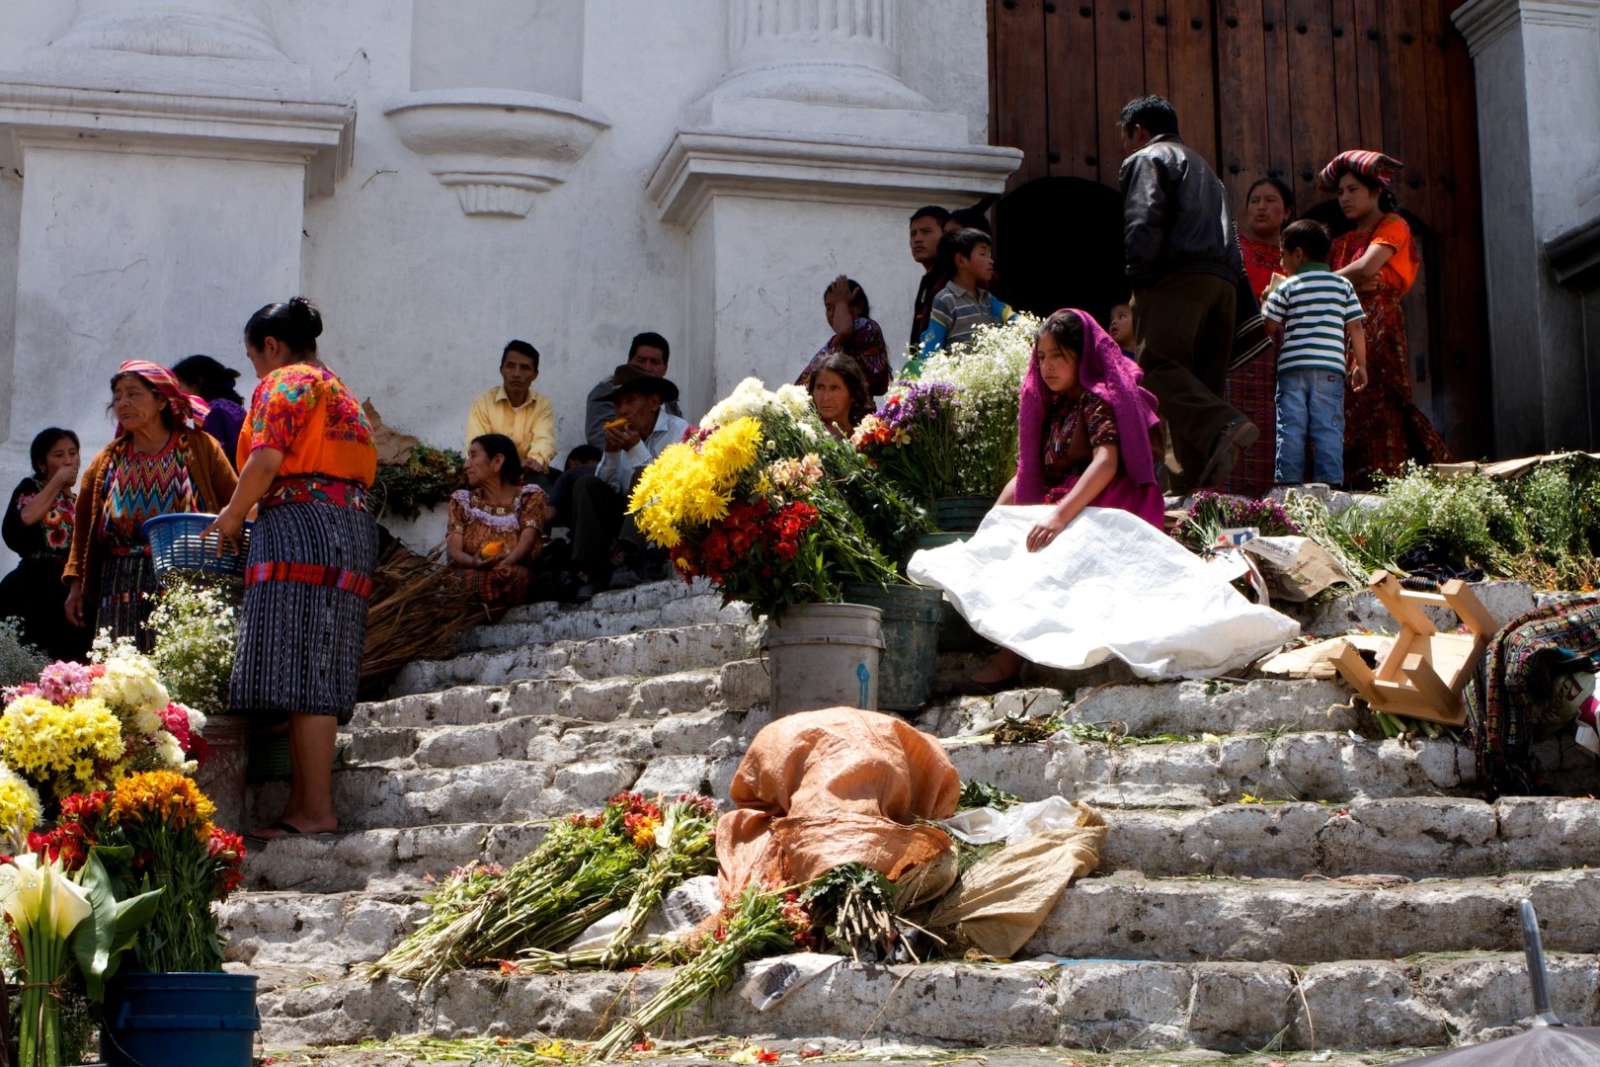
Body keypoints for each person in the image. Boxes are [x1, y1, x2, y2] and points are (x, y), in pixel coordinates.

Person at [206, 297, 377, 838]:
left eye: (254, 356)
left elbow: (266, 458)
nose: (255, 368)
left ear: (271, 347)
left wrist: (232, 516)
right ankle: (310, 805)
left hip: (301, 527)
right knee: (321, 665)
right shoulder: (337, 389)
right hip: (346, 526)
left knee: (304, 666)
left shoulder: (284, 382)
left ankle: (313, 808)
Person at [972, 309, 1165, 686]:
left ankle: (1011, 658)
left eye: (1059, 355)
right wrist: (995, 517)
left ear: (1083, 356)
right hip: (1070, 501)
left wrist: (1059, 516)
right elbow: (1030, 472)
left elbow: (1106, 462)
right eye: (1042, 357)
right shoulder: (1057, 407)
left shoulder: (1097, 401)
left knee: (1041, 553)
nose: (1047, 366)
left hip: (1105, 503)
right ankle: (1014, 651)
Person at [1118, 95, 1255, 490]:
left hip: (1176, 280)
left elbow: (1143, 218)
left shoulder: (1148, 158)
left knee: (1155, 369)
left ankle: (1224, 422)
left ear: (1139, 131)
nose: (1124, 147)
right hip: (1223, 285)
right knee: (1198, 384)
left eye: (1125, 137)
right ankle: (1191, 490)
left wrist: (1139, 278)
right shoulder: (1207, 171)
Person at [63, 362, 237, 650]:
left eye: (133, 393)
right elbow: (83, 527)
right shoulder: (108, 459)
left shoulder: (199, 447)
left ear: (161, 400)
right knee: (123, 676)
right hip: (119, 585)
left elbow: (234, 501)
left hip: (187, 581)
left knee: (178, 667)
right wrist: (76, 585)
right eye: (117, 396)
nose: (123, 403)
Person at [1323, 150, 1451, 486]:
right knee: (1345, 404)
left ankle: (1388, 485)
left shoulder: (1393, 225)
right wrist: (1350, 279)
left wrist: (1327, 282)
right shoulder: (1339, 243)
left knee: (1380, 401)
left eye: (1353, 189)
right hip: (1342, 331)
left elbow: (1366, 268)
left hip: (1380, 326)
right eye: (1340, 192)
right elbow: (1358, 275)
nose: (1344, 198)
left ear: (1376, 191)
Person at [568, 364, 690, 598]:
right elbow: (607, 487)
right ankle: (588, 569)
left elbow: (665, 485)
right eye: (618, 404)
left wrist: (635, 449)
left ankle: (630, 560)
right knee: (586, 484)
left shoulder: (678, 431)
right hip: (626, 516)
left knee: (644, 475)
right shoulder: (623, 434)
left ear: (654, 403)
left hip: (664, 526)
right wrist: (612, 453)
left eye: (630, 401)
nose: (622, 411)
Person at [1262, 220, 1368, 487]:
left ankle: (1288, 485)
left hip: (1292, 370)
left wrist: (1267, 299)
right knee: (1328, 426)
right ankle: (1330, 484)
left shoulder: (1285, 287)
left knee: (1291, 428)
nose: (1281, 262)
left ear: (1298, 254)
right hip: (1330, 370)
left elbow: (1268, 327)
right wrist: (1360, 365)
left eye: (1283, 255)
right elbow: (1355, 325)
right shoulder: (1343, 286)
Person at [1228, 176, 1295, 496]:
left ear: (1287, 212)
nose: (1261, 207)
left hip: (1289, 350)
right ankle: (1235, 498)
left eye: (1270, 201)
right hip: (1241, 347)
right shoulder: (1233, 249)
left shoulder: (1299, 258)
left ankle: (1281, 496)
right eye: (1254, 201)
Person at [1, 428, 90, 661]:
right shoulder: (31, 488)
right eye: (58, 455)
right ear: (42, 463)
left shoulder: (78, 503)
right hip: (32, 586)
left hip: (67, 588)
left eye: (72, 453)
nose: (68, 460)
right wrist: (58, 481)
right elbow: (26, 518)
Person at [445, 434, 548, 609]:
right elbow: (454, 549)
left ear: (497, 461)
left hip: (510, 573)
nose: (466, 465)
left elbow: (527, 540)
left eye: (473, 455)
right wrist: (475, 563)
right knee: (457, 580)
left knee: (517, 576)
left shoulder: (529, 497)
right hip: (472, 573)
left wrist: (506, 563)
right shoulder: (462, 501)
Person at [911, 228, 1015, 369]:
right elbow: (932, 347)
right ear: (961, 260)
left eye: (990, 255)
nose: (991, 261)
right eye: (983, 254)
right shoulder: (945, 299)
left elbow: (1012, 317)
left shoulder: (987, 298)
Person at [465, 340, 557, 475]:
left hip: (528, 473)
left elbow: (544, 440)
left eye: (525, 367)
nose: (516, 374)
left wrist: (534, 461)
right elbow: (477, 448)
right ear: (501, 370)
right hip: (490, 474)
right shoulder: (483, 403)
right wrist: (511, 465)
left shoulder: (542, 405)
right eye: (510, 366)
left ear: (535, 375)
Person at [795, 275, 890, 397]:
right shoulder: (837, 340)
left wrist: (841, 301)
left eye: (840, 306)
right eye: (829, 307)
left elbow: (844, 330)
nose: (833, 313)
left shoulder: (867, 328)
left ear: (858, 307)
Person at [585, 332, 682, 450]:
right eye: (641, 360)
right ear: (629, 362)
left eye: (654, 362)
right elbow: (600, 442)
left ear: (665, 368)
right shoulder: (607, 391)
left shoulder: (669, 402)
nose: (647, 368)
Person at [173, 354, 248, 467]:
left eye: (178, 387)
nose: (175, 395)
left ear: (198, 383)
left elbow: (215, 464)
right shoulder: (226, 407)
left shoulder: (213, 413)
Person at [908, 205, 952, 348]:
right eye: (913, 234)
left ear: (945, 235)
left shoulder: (952, 278)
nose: (917, 239)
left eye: (926, 232)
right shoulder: (928, 279)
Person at [806, 352, 873, 440]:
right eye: (820, 387)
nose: (825, 397)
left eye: (834, 388)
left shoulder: (866, 441)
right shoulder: (801, 438)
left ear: (853, 393)